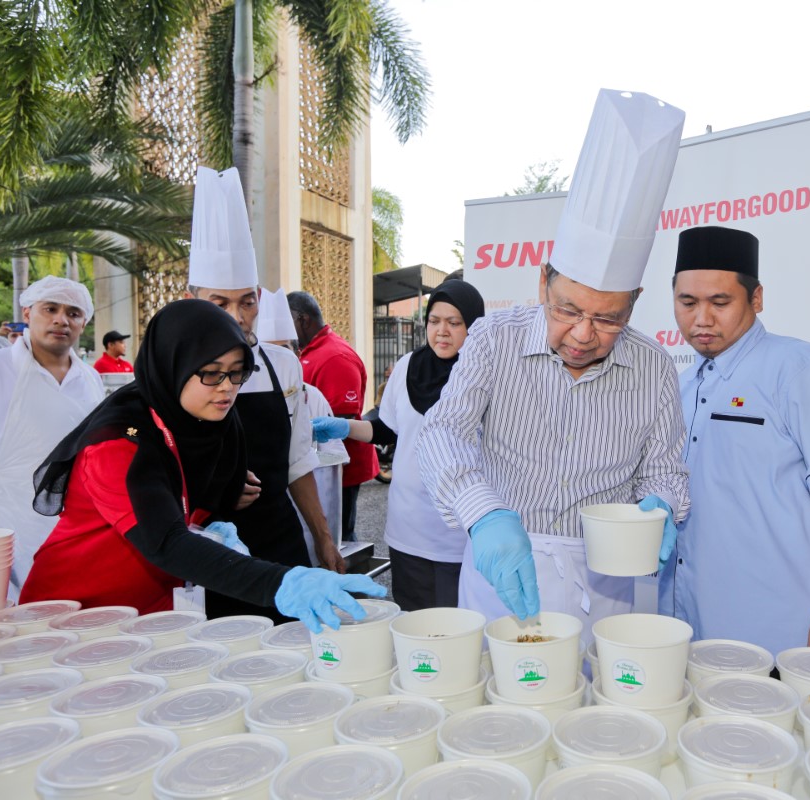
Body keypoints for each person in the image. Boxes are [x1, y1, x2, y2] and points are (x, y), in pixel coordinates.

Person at [416, 89, 689, 638]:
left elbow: (665, 468)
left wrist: (662, 505)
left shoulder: (654, 367)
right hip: (503, 569)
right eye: (568, 309)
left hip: (609, 583)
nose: (584, 335)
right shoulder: (494, 340)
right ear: (543, 282)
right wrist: (483, 513)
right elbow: (441, 432)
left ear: (635, 300)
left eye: (609, 318)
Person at [20, 300, 384, 630]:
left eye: (237, 371)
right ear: (173, 365)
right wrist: (283, 582)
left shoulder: (212, 422)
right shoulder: (117, 443)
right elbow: (167, 542)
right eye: (211, 372)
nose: (227, 388)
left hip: (153, 607)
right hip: (76, 612)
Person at [658, 226, 810, 659]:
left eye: (720, 302)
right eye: (687, 303)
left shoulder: (798, 368)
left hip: (790, 632)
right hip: (701, 629)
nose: (701, 318)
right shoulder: (682, 386)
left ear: (755, 299)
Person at [183, 166, 343, 622]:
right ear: (192, 298)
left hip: (280, 536)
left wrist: (324, 538)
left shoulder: (283, 365)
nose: (237, 316)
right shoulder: (173, 373)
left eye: (247, 301)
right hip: (211, 546)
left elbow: (298, 462)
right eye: (220, 303)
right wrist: (210, 493)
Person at [313, 280, 486, 611]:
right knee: (416, 625)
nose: (442, 331)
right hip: (408, 529)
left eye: (454, 322)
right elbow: (387, 429)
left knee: (461, 630)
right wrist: (344, 426)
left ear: (474, 326)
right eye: (434, 321)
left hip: (462, 535)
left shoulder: (485, 374)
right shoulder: (408, 366)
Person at [0, 276, 104, 595]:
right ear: (27, 314)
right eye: (50, 308)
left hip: (69, 519)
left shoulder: (89, 378)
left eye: (73, 313)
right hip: (1, 519)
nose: (61, 319)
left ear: (83, 323)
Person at [288, 290, 379, 541]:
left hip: (340, 468)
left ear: (302, 319)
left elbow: (344, 414)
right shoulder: (306, 351)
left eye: (288, 322)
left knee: (339, 535)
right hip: (314, 464)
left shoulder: (335, 357)